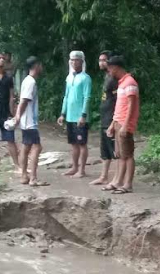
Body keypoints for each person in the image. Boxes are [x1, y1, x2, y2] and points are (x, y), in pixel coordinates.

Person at [107, 56, 140, 194]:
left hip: (124, 124)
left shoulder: (130, 83)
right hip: (118, 123)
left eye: (110, 69)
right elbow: (119, 107)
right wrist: (112, 124)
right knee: (120, 155)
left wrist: (126, 125)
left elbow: (132, 106)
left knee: (128, 155)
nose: (109, 72)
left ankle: (127, 184)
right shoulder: (122, 83)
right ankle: (118, 181)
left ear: (116, 67)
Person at [57, 50, 92, 178]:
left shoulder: (85, 78)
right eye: (71, 59)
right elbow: (66, 96)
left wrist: (83, 115)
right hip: (70, 116)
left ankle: (82, 170)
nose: (73, 62)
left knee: (82, 143)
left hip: (80, 117)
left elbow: (87, 97)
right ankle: (74, 167)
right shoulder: (69, 77)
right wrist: (63, 113)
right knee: (73, 144)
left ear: (81, 61)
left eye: (76, 59)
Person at [14, 56, 47, 187]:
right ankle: (33, 178)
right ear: (36, 65)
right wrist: (17, 116)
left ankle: (24, 175)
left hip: (26, 121)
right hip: (29, 121)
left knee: (26, 147)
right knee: (37, 147)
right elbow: (24, 101)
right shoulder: (31, 82)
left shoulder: (26, 80)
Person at [91, 50, 120, 187]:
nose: (101, 63)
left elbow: (117, 101)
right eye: (99, 60)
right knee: (105, 150)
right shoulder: (107, 77)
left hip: (111, 119)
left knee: (115, 150)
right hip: (104, 118)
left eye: (103, 60)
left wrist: (114, 121)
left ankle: (117, 179)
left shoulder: (114, 79)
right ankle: (103, 176)